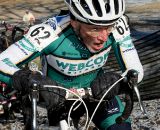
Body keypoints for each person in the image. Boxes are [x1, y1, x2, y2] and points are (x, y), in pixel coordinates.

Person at [0, 0, 144, 129]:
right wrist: (27, 79)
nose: (104, 37)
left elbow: (136, 70)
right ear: (74, 22)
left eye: (109, 27)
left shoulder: (118, 24)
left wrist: (120, 80)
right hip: (59, 98)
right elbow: (2, 60)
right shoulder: (51, 31)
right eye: (94, 29)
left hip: (99, 92)